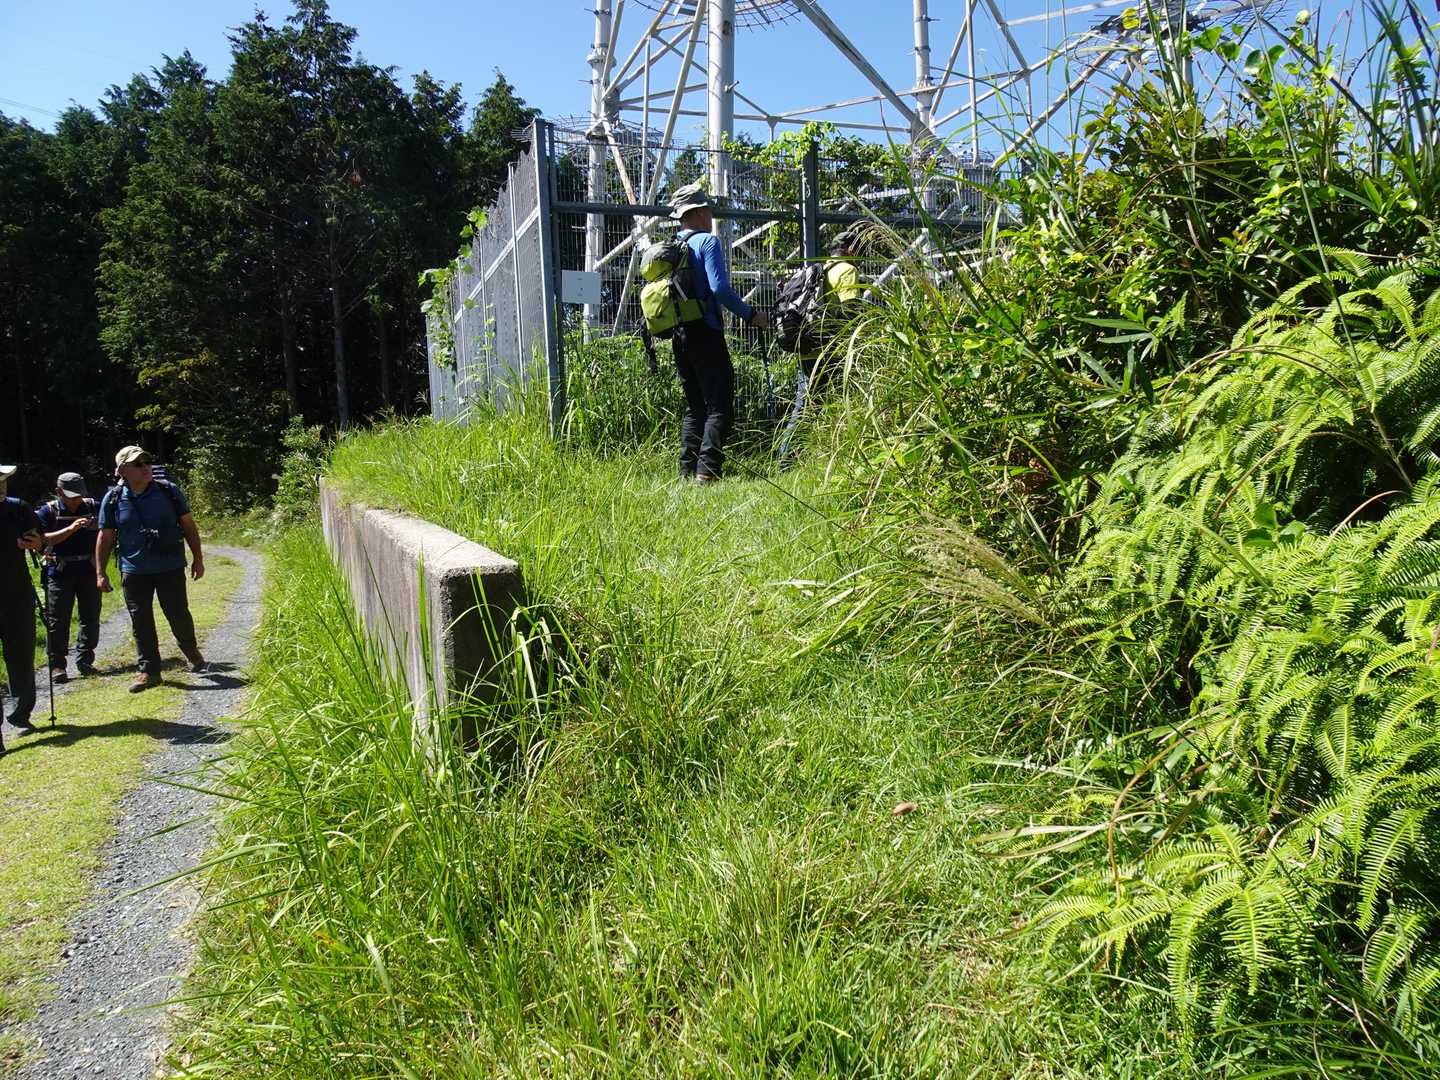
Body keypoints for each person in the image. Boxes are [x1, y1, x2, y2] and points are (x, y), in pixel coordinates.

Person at [668, 182, 770, 482]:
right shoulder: (706, 242)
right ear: (700, 212)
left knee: (694, 407)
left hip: (678, 334)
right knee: (719, 405)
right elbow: (719, 289)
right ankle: (708, 472)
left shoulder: (672, 246)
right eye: (709, 210)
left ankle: (687, 472)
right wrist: (752, 316)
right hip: (706, 333)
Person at [95, 446, 207, 692]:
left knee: (178, 613)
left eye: (147, 462)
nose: (146, 467)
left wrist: (198, 558)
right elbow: (105, 536)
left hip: (170, 566)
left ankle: (191, 652)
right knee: (140, 620)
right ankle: (149, 671)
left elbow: (188, 525)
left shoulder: (168, 490)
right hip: (133, 570)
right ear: (123, 470)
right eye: (138, 464)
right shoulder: (113, 498)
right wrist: (100, 573)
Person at [777, 232, 868, 468]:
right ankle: (787, 462)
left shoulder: (822, 269)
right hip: (828, 351)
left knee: (809, 403)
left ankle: (803, 458)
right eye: (860, 250)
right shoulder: (847, 270)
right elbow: (851, 311)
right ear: (850, 250)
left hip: (807, 346)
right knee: (816, 406)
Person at [36, 472, 102, 682]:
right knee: (58, 620)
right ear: (58, 492)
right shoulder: (47, 511)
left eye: (79, 495)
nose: (76, 500)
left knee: (90, 616)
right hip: (59, 572)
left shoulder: (94, 507)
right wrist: (71, 529)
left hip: (89, 570)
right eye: (71, 496)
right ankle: (57, 666)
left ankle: (85, 660)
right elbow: (43, 540)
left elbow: (109, 529)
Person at [0, 464, 44, 730]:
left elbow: (39, 542)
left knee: (21, 656)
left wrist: (35, 543)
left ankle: (21, 712)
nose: (1, 485)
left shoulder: (19, 508)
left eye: (3, 480)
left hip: (17, 593)